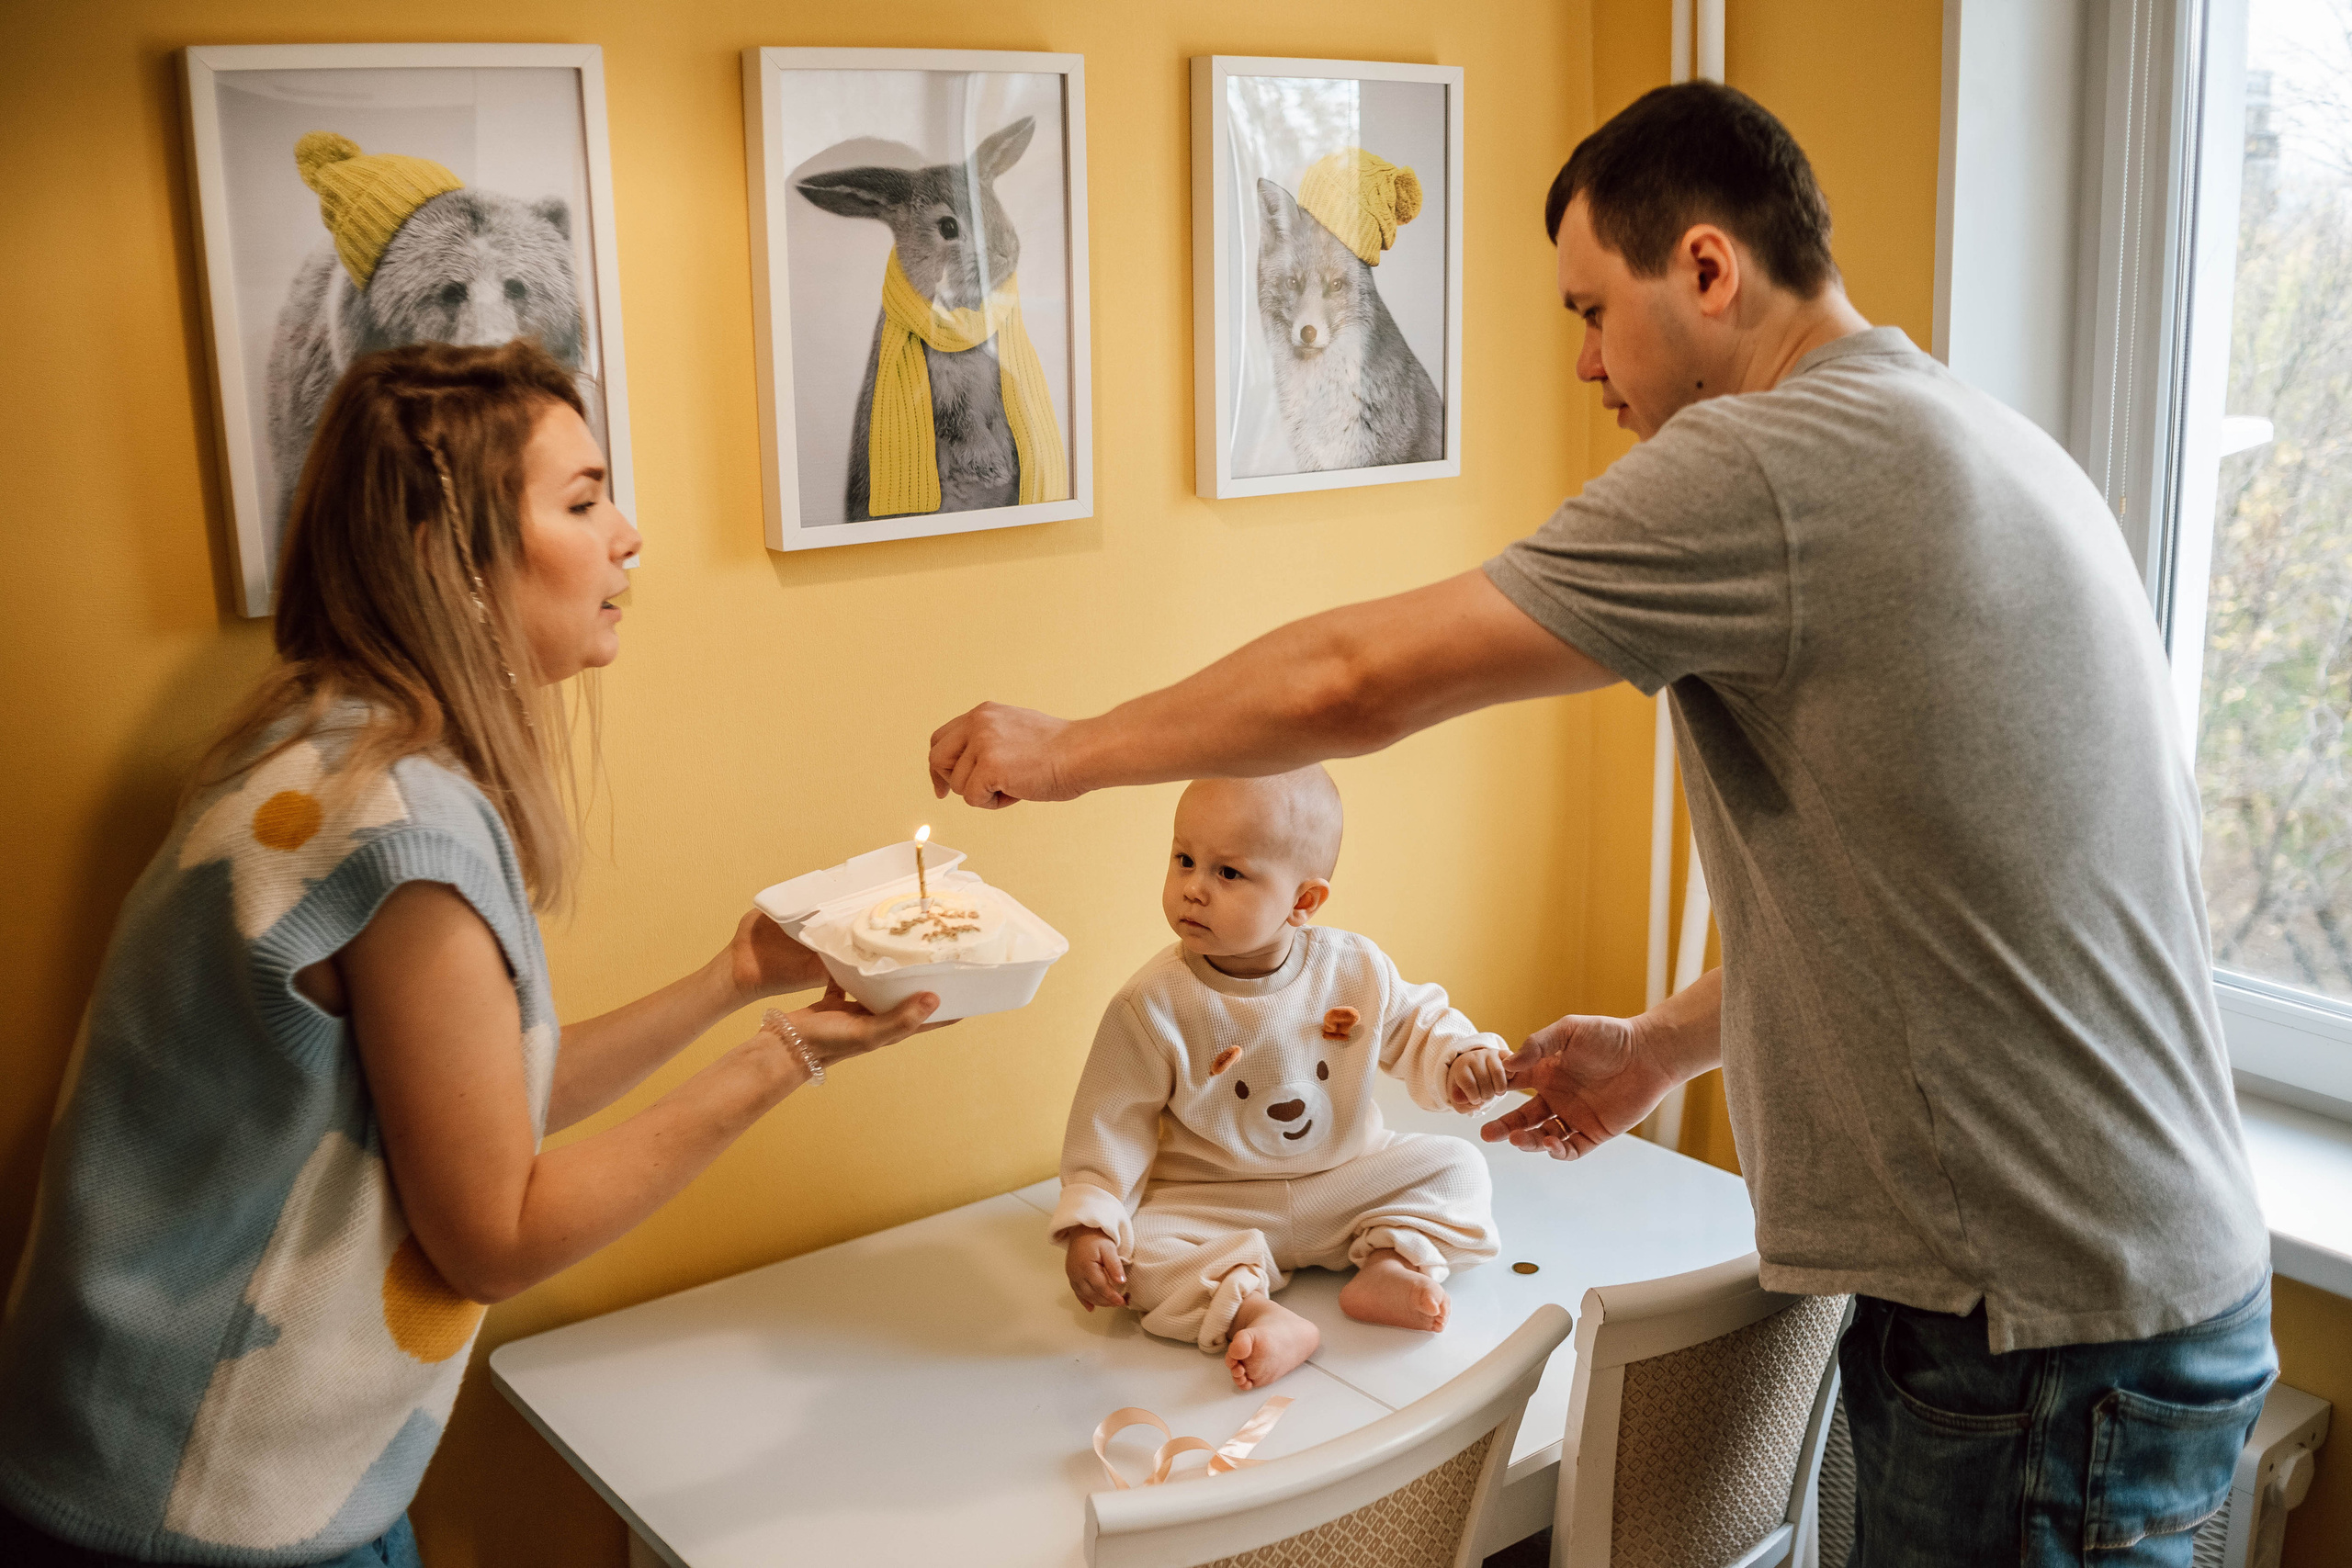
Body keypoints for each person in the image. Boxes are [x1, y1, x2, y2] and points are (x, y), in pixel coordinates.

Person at [928, 83, 2275, 1564]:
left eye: (1591, 310)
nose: (1582, 362)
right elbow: (1948, 910)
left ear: (1706, 268)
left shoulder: (1770, 463)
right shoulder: (1969, 434)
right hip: (2133, 1281)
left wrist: (1069, 752)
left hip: (2039, 1331)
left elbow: (1360, 678)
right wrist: (1665, 1044)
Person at [0, 342, 942, 1565]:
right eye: (583, 501)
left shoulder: (316, 745)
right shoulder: (407, 826)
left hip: (125, 1449)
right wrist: (787, 1057)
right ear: (453, 555)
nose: (629, 536)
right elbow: (493, 1232)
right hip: (207, 1510)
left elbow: (467, 1107)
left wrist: (734, 977)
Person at [1055, 769, 1511, 1391]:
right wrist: (1093, 1221)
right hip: (1216, 1201)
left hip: (1344, 1182)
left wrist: (1460, 1056)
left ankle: (1388, 1262)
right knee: (1140, 1253)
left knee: (1459, 1168)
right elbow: (1111, 1120)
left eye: (1228, 872)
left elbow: (1418, 1023)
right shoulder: (1152, 1003)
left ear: (1304, 901)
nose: (1193, 888)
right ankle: (1254, 1312)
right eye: (1184, 859)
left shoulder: (1354, 967)